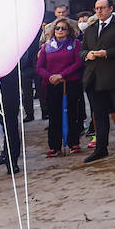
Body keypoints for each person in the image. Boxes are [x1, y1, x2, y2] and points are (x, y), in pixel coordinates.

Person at [81, 0, 115, 161]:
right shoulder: (90, 28)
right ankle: (100, 148)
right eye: (97, 8)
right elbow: (82, 50)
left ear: (111, 8)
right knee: (99, 115)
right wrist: (86, 54)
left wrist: (107, 53)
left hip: (114, 77)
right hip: (94, 78)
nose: (99, 11)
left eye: (102, 8)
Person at [36, 18, 84, 158]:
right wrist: (50, 76)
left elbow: (78, 63)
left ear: (69, 30)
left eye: (63, 28)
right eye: (57, 28)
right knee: (54, 116)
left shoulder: (75, 44)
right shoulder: (46, 46)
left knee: (72, 113)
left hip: (70, 83)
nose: (60, 31)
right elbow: (39, 66)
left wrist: (61, 75)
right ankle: (54, 146)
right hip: (52, 84)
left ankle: (73, 142)